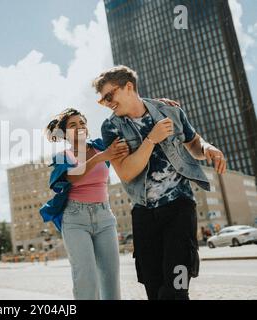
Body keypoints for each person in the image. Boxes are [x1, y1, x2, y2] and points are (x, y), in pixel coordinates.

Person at [93, 65, 227, 300]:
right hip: (144, 213)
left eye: (109, 95)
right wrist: (151, 140)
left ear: (129, 87)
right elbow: (126, 172)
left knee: (176, 286)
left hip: (180, 208)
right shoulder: (111, 127)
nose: (107, 103)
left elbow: (193, 142)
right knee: (154, 290)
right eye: (102, 101)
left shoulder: (169, 111)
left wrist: (207, 148)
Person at [42, 108, 129, 300]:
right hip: (75, 219)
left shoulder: (100, 146)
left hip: (105, 216)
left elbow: (129, 135)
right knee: (86, 278)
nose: (80, 127)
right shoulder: (63, 156)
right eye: (73, 125)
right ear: (64, 133)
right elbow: (71, 177)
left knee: (110, 278)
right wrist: (100, 158)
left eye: (82, 123)